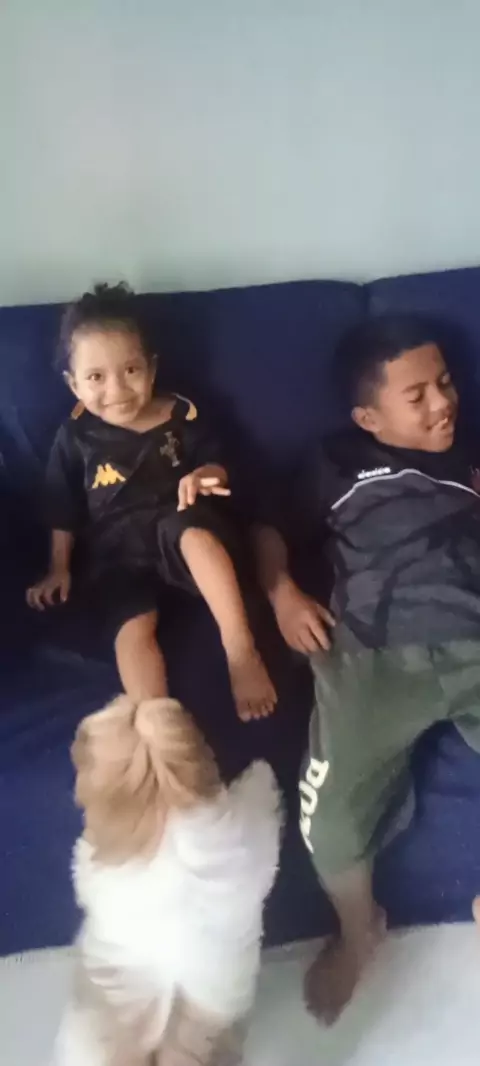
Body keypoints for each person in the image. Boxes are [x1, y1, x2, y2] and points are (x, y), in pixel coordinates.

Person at [255, 314, 480, 1023]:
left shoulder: (470, 451)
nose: (443, 403)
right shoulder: (333, 463)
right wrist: (282, 593)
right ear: (368, 417)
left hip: (474, 633)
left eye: (446, 383)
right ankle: (360, 930)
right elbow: (267, 530)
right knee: (328, 822)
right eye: (417, 395)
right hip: (371, 657)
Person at [26, 283, 276, 722]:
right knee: (132, 627)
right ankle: (156, 720)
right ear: (73, 384)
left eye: (131, 370)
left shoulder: (184, 416)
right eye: (96, 377)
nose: (117, 389)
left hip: (181, 531)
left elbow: (221, 463)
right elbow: (62, 505)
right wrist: (59, 567)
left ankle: (240, 650)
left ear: (152, 367)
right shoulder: (75, 436)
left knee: (192, 531)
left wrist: (205, 475)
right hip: (117, 552)